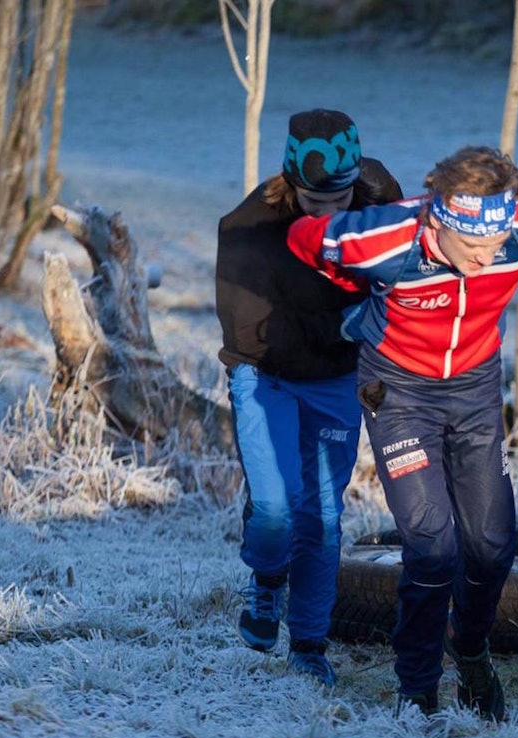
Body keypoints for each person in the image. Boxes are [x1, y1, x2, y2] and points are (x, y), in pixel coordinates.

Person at [287, 146, 518, 719]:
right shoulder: (384, 240)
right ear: (438, 218)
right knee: (431, 546)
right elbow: (305, 239)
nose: (487, 258)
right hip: (397, 391)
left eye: (496, 244)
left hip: (476, 387)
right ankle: (417, 689)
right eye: (473, 245)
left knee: (492, 544)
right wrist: (355, 294)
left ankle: (471, 650)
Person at [215, 109, 403, 687]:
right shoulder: (250, 228)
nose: (327, 214)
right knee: (276, 507)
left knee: (320, 513)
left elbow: (404, 270)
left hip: (336, 381)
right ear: (290, 183)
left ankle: (309, 645)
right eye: (314, 203)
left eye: (338, 201)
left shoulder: (378, 200)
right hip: (264, 372)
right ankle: (267, 579)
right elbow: (250, 336)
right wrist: (347, 324)